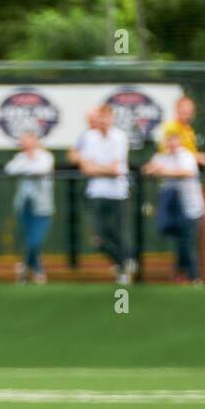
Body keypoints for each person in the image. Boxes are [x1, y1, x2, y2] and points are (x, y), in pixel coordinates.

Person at [76, 105, 132, 285]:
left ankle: (124, 266)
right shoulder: (89, 138)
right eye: (100, 118)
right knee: (98, 237)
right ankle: (123, 261)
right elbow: (85, 168)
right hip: (97, 193)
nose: (103, 121)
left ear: (112, 119)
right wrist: (102, 169)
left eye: (106, 118)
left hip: (118, 193)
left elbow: (116, 169)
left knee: (116, 232)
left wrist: (96, 168)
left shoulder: (120, 137)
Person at [143, 130, 205, 284]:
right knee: (178, 241)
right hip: (174, 209)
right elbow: (146, 170)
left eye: (174, 140)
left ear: (180, 141)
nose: (171, 144)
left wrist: (163, 171)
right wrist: (153, 169)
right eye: (168, 140)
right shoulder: (162, 156)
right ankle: (181, 275)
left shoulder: (186, 156)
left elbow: (187, 172)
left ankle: (194, 278)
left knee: (188, 243)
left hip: (192, 208)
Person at [4, 130, 55, 284]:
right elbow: (10, 169)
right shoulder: (20, 157)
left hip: (42, 207)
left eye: (27, 141)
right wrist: (27, 166)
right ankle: (34, 269)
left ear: (34, 142)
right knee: (27, 240)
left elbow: (42, 169)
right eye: (22, 142)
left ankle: (28, 267)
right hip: (24, 205)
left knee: (35, 241)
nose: (25, 145)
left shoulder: (45, 156)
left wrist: (26, 168)